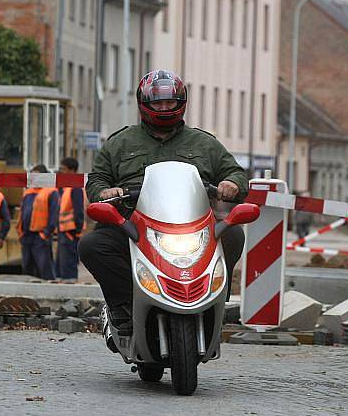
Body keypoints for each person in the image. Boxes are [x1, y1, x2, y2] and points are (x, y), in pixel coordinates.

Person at [79, 69, 248, 335]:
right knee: (92, 245)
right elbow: (97, 180)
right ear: (144, 104)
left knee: (233, 234)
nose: (165, 107)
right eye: (158, 102)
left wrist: (233, 184)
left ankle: (214, 300)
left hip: (192, 228)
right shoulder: (120, 142)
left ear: (182, 103)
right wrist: (104, 193)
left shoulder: (205, 144)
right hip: (132, 227)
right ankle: (124, 305)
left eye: (170, 102)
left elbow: (235, 173)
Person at [17, 164, 60, 280]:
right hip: (26, 236)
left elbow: (54, 215)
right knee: (27, 269)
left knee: (44, 269)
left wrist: (46, 233)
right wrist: (20, 232)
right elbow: (22, 213)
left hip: (40, 236)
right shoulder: (28, 192)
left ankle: (49, 294)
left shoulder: (51, 192)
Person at [57, 157, 85, 283]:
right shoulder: (66, 188)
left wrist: (77, 230)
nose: (60, 171)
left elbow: (78, 210)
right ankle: (65, 279)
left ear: (72, 170)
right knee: (63, 259)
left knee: (69, 258)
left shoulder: (75, 188)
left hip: (71, 231)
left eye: (63, 169)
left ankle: (70, 281)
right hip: (65, 229)